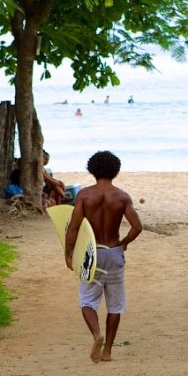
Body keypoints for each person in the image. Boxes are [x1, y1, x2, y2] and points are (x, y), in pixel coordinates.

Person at [65, 151, 142, 363]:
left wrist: (68, 253)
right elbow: (137, 227)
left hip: (93, 253)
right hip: (114, 252)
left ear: (92, 170)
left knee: (87, 300)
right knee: (115, 304)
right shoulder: (122, 197)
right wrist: (124, 243)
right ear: (116, 171)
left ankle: (96, 333)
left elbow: (73, 227)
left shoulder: (84, 196)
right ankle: (107, 351)